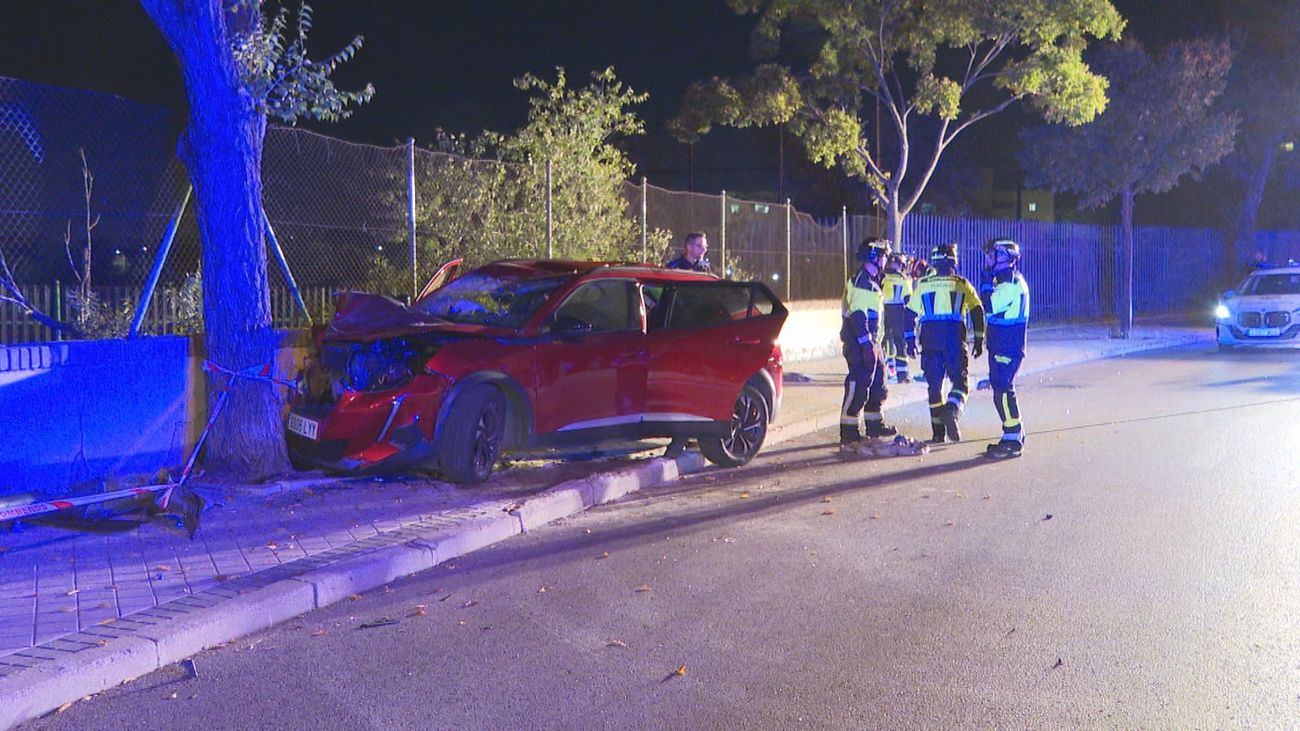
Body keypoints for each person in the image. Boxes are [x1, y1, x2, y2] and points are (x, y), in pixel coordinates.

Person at [908, 242, 985, 443]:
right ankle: (952, 409)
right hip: (953, 339)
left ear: (933, 262)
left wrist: (909, 341)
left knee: (934, 387)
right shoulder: (962, 284)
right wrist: (979, 338)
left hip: (930, 339)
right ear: (954, 262)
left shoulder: (923, 284)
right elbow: (977, 310)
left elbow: (909, 315)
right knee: (960, 383)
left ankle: (938, 433)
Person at [838, 237, 900, 450]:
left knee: (878, 385)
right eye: (883, 255)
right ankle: (849, 431)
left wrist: (873, 344)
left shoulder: (873, 281)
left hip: (873, 343)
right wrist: (866, 346)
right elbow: (858, 317)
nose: (886, 259)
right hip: (860, 344)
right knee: (859, 385)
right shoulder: (863, 282)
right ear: (873, 256)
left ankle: (874, 425)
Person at [662, 232, 712, 458]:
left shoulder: (706, 270)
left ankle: (692, 436)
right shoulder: (674, 268)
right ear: (688, 247)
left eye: (705, 246)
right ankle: (679, 438)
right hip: (678, 335)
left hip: (701, 336)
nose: (703, 250)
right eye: (699, 246)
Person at [983, 239, 1030, 458]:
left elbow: (989, 306)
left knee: (1002, 390)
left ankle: (1013, 438)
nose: (990, 259)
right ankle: (1014, 434)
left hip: (1006, 345)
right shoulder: (1008, 281)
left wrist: (984, 283)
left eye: (995, 255)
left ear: (1008, 259)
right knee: (1002, 389)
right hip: (1005, 344)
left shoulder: (1009, 284)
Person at [881, 252, 917, 383]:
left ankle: (886, 372)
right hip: (899, 312)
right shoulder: (904, 279)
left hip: (884, 311)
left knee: (884, 341)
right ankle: (902, 375)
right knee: (900, 343)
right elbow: (908, 299)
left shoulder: (882, 277)